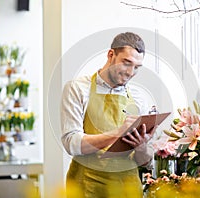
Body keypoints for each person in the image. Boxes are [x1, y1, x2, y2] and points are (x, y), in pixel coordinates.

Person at [60, 32, 156, 198]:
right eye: (126, 63)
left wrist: (141, 147)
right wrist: (117, 133)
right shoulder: (77, 88)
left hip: (127, 188)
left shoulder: (138, 98)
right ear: (111, 54)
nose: (130, 72)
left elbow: (145, 162)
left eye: (137, 67)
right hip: (87, 187)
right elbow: (72, 143)